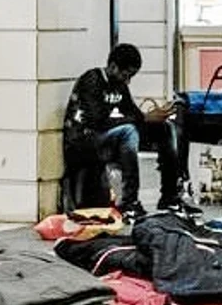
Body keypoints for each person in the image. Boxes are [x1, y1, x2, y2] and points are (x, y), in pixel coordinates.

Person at [62, 42, 186, 218]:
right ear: (112, 67)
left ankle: (170, 196)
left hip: (109, 136)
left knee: (165, 129)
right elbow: (99, 120)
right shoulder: (92, 80)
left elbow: (132, 113)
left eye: (131, 77)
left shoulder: (120, 86)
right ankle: (129, 201)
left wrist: (154, 118)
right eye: (125, 75)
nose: (127, 81)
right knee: (128, 132)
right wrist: (142, 119)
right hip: (85, 139)